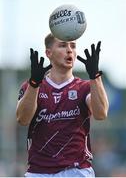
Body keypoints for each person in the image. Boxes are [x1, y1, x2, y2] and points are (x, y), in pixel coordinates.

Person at [16, 33, 109, 177]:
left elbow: (101, 113)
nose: (69, 50)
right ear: (49, 53)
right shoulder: (32, 86)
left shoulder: (84, 87)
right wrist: (34, 84)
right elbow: (22, 119)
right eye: (63, 45)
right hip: (39, 172)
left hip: (77, 170)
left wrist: (95, 76)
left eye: (73, 46)